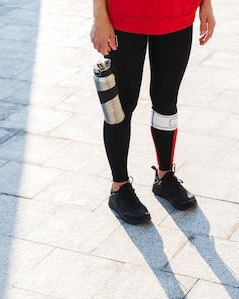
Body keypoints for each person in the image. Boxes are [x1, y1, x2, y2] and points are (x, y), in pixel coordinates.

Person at [90, 0, 216, 224]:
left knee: (167, 101)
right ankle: (119, 188)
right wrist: (99, 17)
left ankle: (165, 176)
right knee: (120, 107)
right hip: (124, 14)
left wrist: (206, 4)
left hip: (179, 12)